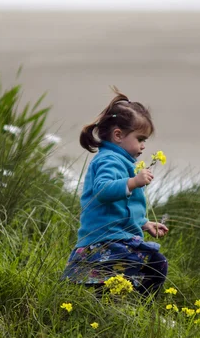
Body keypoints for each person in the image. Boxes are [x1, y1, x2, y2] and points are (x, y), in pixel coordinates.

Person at [61, 88, 169, 296]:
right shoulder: (108, 160)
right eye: (140, 139)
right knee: (153, 264)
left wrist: (143, 223)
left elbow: (120, 209)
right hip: (104, 241)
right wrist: (132, 182)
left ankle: (121, 304)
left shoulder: (121, 160)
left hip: (118, 238)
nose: (144, 146)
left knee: (149, 266)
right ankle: (135, 305)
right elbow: (103, 190)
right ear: (118, 135)